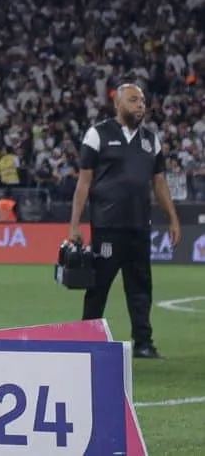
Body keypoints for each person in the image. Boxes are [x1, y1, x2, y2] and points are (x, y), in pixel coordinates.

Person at [70, 82, 181, 359]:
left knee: (141, 288)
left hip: (139, 226)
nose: (140, 105)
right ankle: (87, 340)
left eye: (142, 101)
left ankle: (143, 343)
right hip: (107, 227)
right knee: (98, 287)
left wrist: (173, 218)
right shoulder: (98, 134)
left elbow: (159, 183)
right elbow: (84, 183)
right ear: (118, 104)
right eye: (133, 100)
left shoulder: (151, 140)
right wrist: (74, 225)